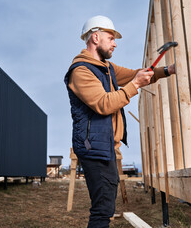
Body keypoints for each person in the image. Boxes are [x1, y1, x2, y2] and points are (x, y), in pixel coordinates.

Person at [64, 15, 175, 228]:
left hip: (105, 147)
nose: (115, 43)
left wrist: (167, 70)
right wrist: (134, 85)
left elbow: (136, 74)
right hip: (93, 149)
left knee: (105, 207)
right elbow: (103, 104)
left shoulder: (106, 68)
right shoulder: (81, 71)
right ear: (95, 38)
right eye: (111, 37)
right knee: (102, 210)